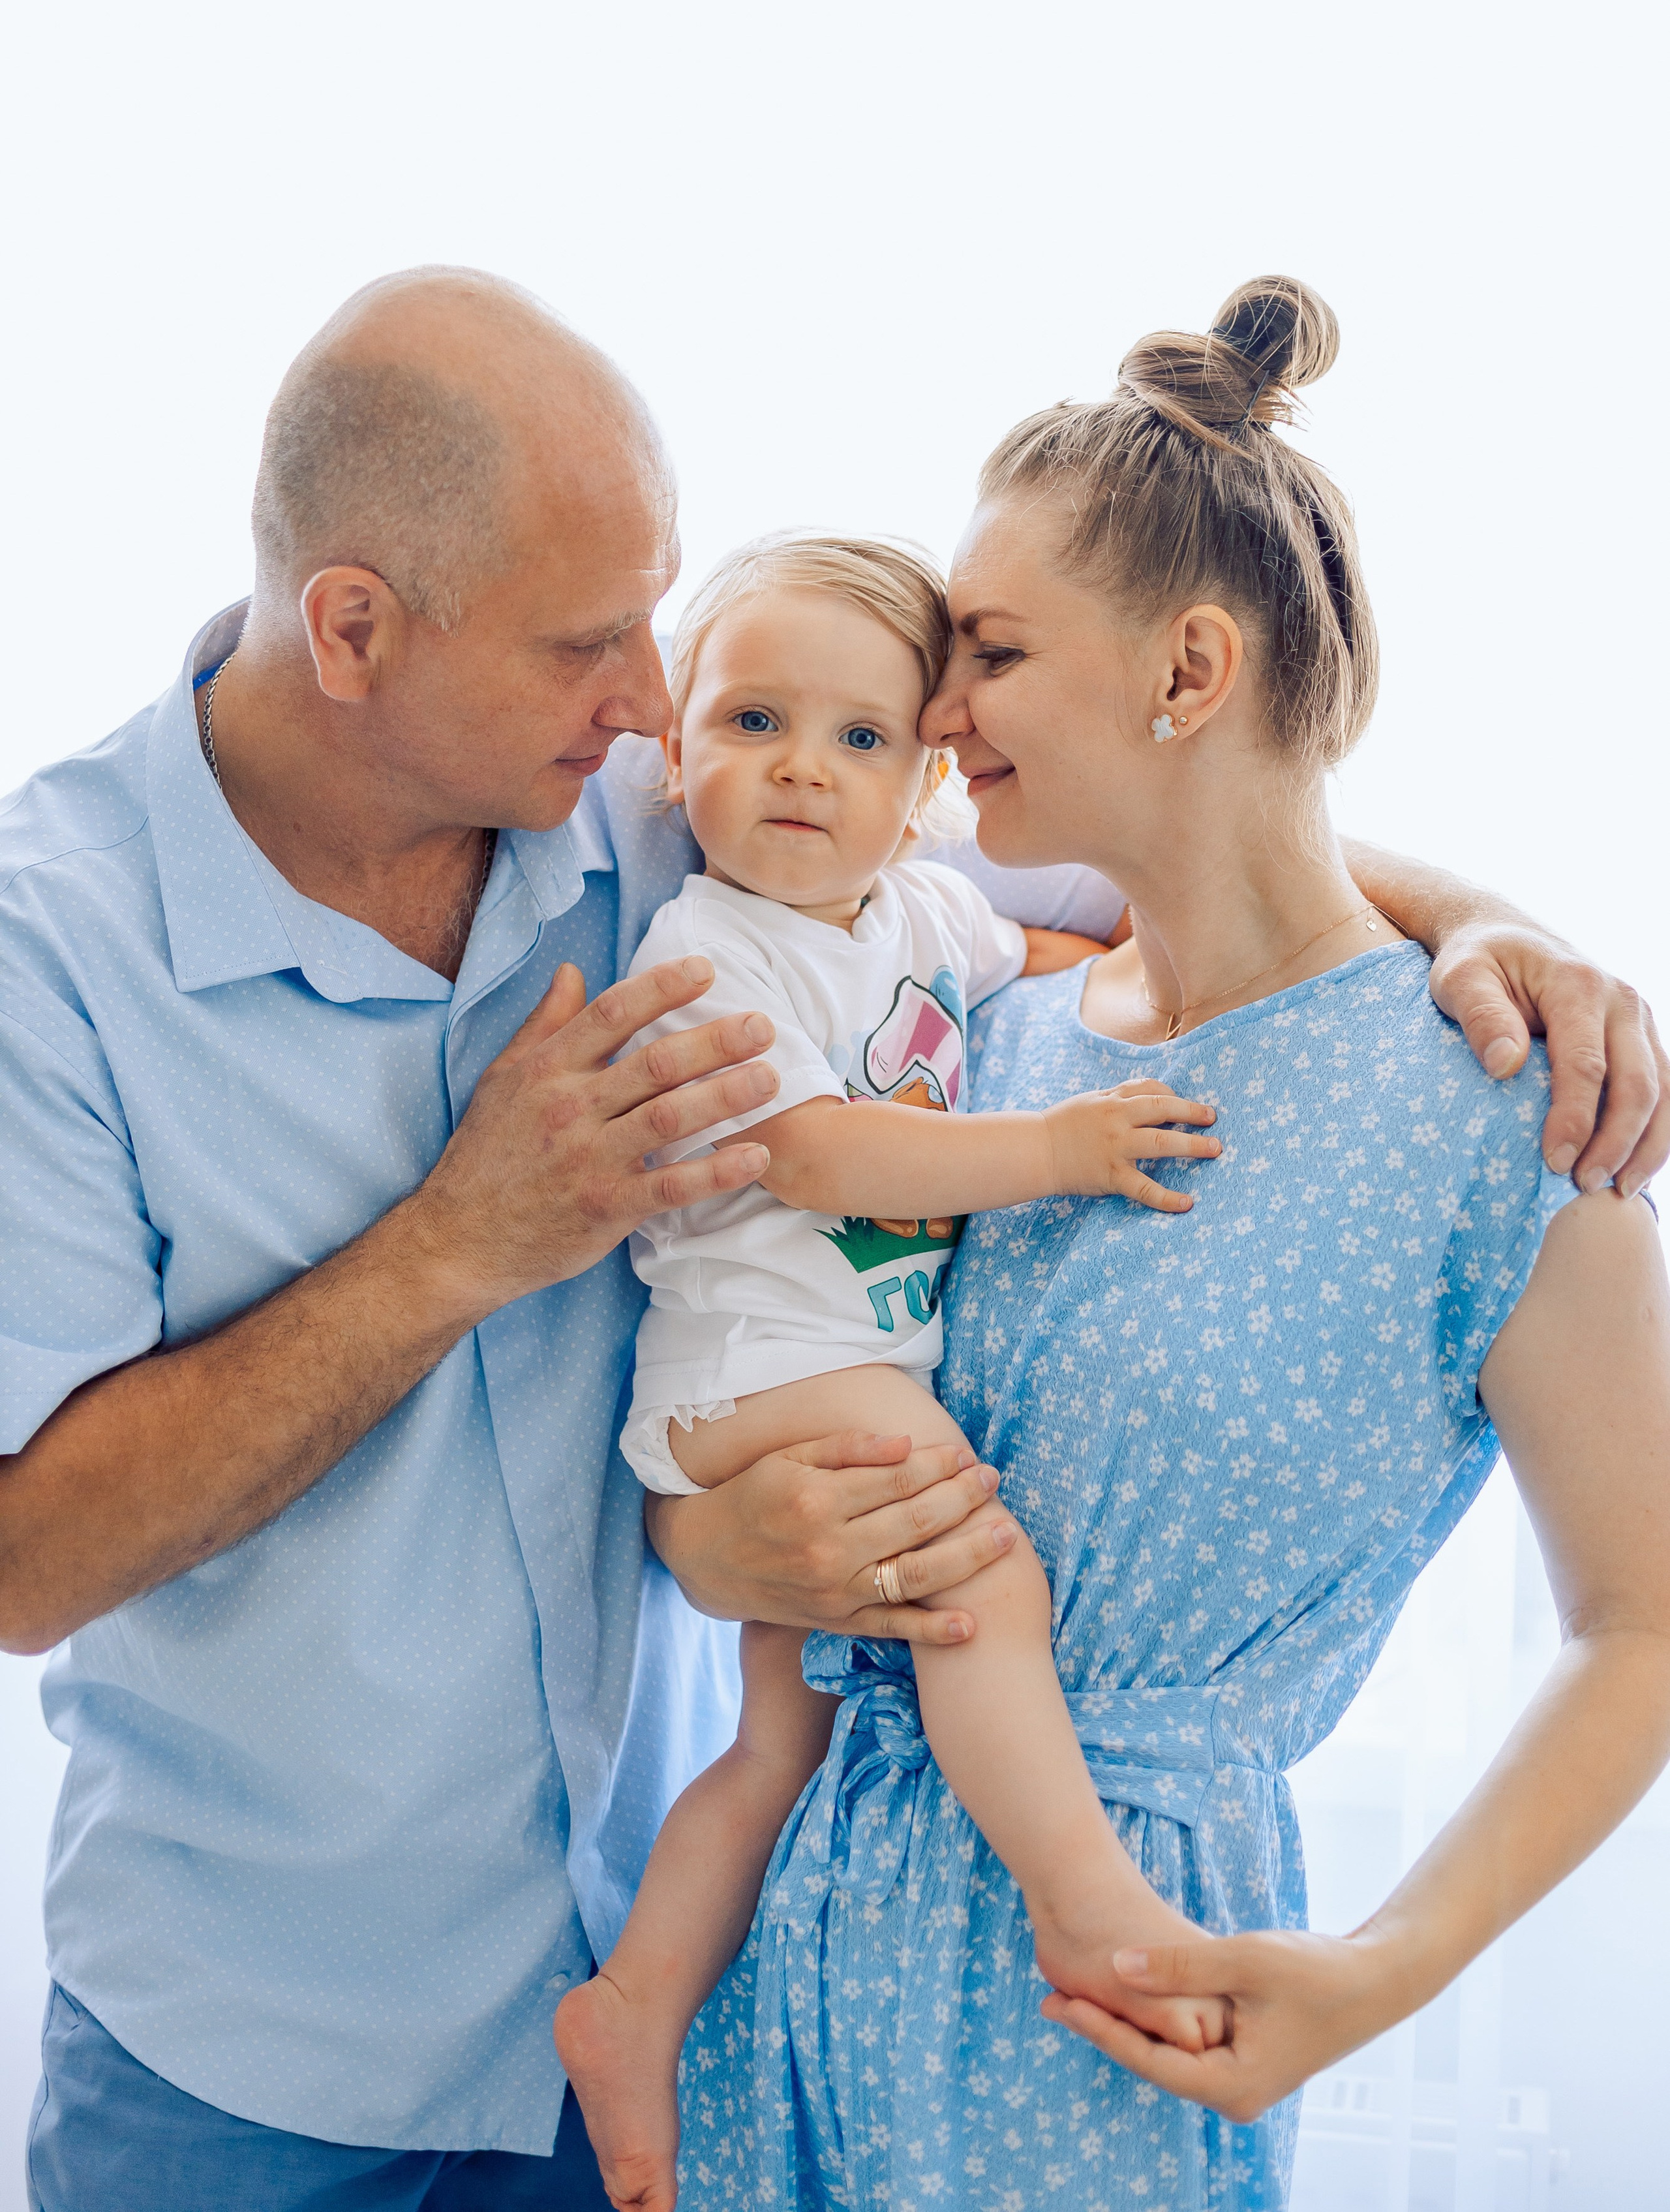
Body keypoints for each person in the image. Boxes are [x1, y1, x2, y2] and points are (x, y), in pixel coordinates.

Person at [0, 266, 1660, 2209]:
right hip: (256, 2056)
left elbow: (1157, 834)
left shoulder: (674, 812)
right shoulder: (59, 954)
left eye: (660, 621)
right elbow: (28, 1561)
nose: (649, 695)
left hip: (677, 1977)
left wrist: (1495, 927)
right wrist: (461, 1243)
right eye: (591, 642)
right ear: (356, 628)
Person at [667, 277, 1670, 2211]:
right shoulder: (980, 1030)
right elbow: (767, 1338)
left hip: (1109, 2005)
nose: (935, 716)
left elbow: (1646, 1621)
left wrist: (1382, 1972)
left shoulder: (1504, 1109)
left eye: (993, 652)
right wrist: (705, 1541)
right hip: (794, 1959)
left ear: (1187, 674)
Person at [554, 532, 1229, 2211]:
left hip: (826, 1363)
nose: (801, 766)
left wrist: (1178, 993)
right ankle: (1083, 1895)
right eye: (752, 720)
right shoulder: (702, 948)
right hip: (758, 1366)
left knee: (776, 1742)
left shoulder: (926, 907)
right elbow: (812, 1153)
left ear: (926, 778)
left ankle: (633, 2008)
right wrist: (1058, 1147)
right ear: (676, 749)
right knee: (973, 1573)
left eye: (858, 739)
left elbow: (1072, 959)